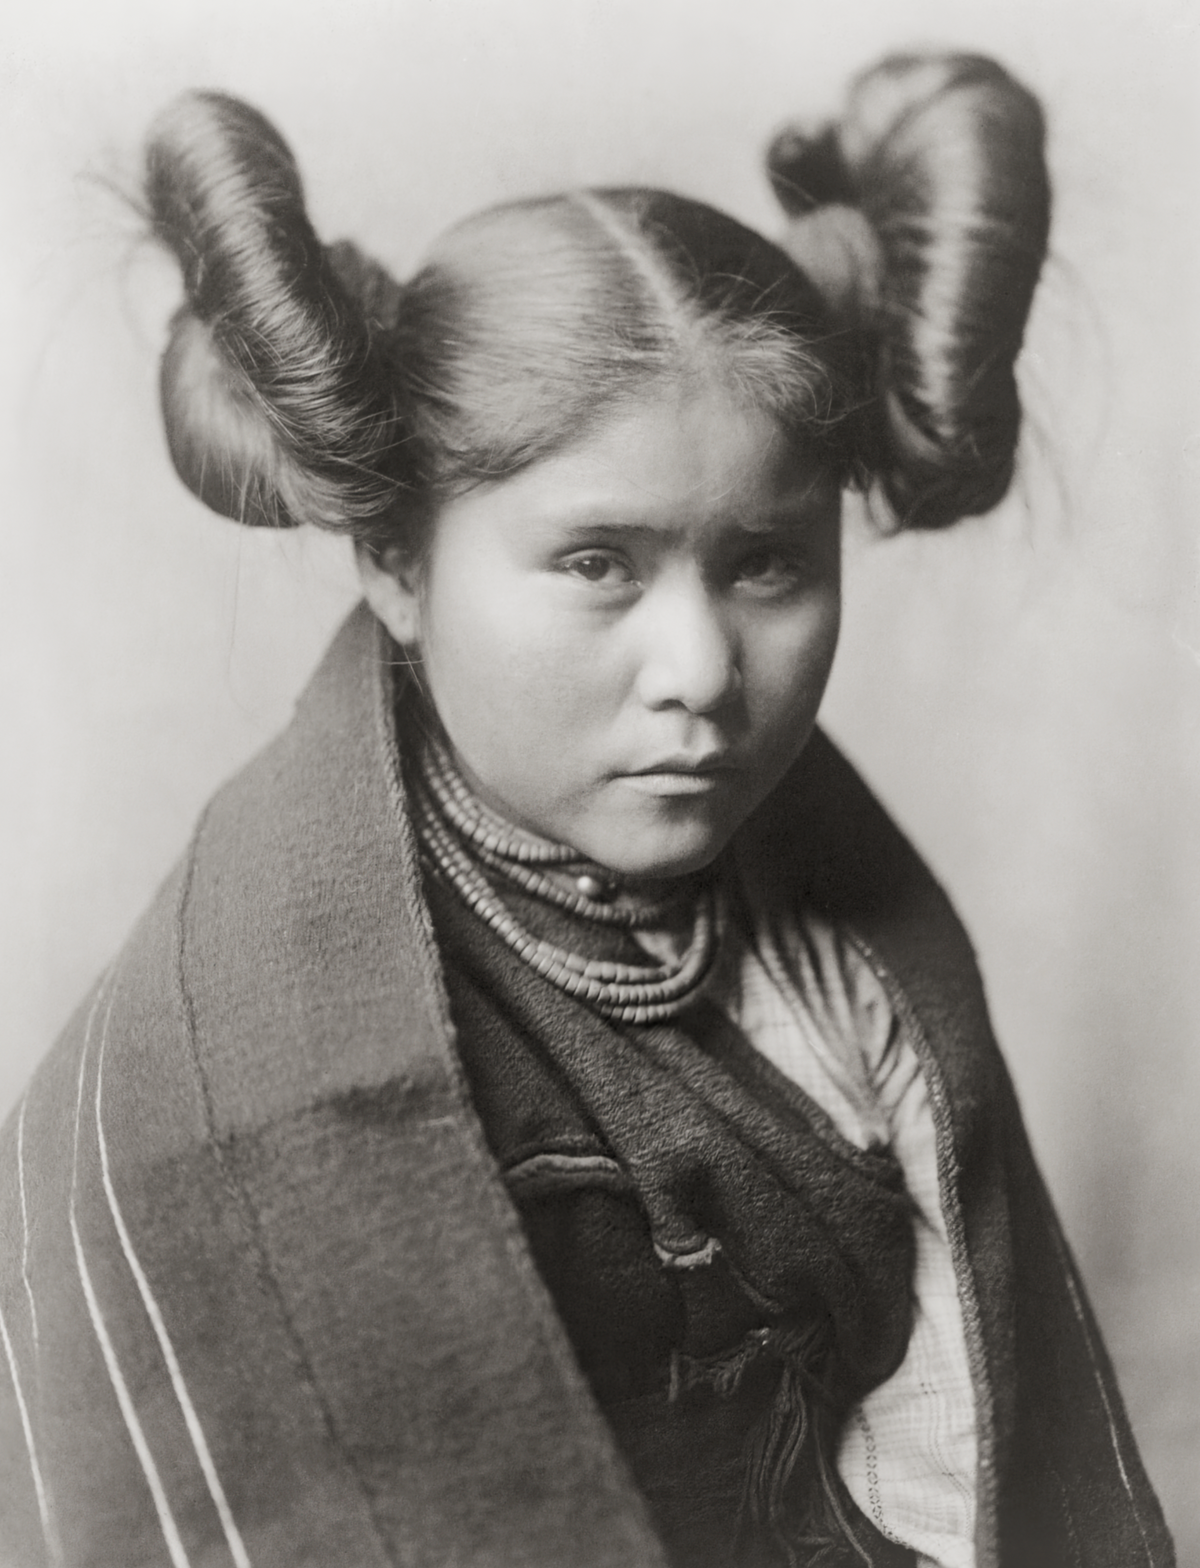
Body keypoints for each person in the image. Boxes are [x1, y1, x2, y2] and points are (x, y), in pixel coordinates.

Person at [0, 49, 1174, 1568]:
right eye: (597, 564)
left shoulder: (842, 953)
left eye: (765, 563)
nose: (698, 671)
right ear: (399, 566)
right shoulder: (225, 1105)